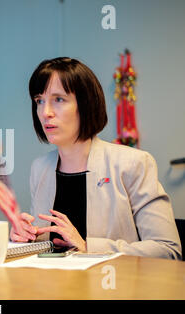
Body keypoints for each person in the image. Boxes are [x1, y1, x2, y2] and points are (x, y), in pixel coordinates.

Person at [10, 57, 181, 260]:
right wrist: (26, 240)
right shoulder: (40, 168)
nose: (45, 112)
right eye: (39, 101)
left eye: (58, 99)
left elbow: (168, 251)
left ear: (85, 105)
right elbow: (50, 249)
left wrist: (86, 246)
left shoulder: (133, 164)